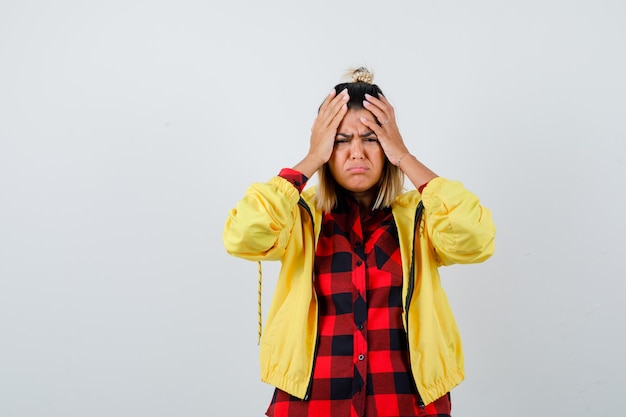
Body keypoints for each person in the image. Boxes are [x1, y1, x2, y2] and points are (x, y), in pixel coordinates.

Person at [222, 67, 496, 417]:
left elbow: (476, 238)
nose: (357, 153)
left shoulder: (421, 216)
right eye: (340, 140)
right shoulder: (298, 214)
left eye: (371, 139)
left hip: (406, 403)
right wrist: (310, 159)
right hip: (309, 404)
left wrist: (405, 157)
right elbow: (243, 235)